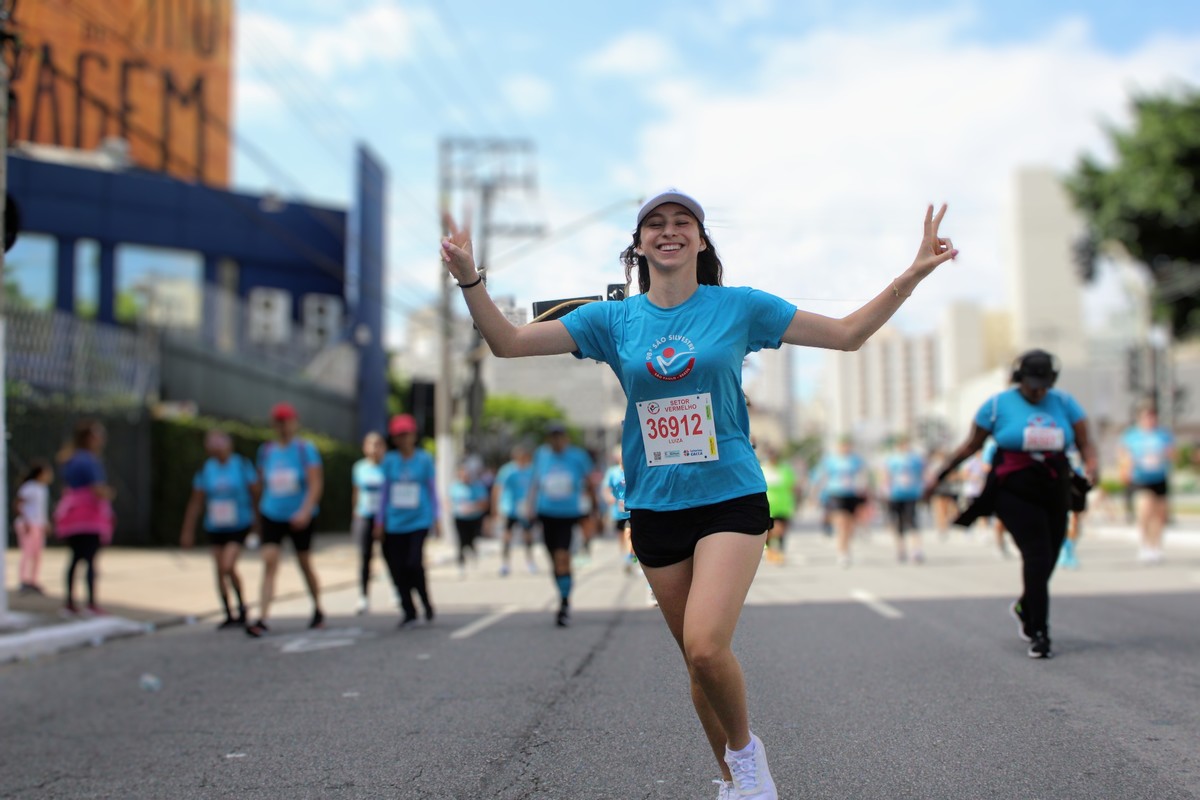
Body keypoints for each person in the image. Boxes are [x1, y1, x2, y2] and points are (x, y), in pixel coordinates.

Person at [441, 188, 957, 799]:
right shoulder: (610, 320)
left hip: (729, 496)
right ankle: (734, 780)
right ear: (638, 246)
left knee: (708, 647)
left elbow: (846, 334)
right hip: (655, 504)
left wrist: (913, 274)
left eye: (682, 222)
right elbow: (507, 343)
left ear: (701, 240)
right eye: (655, 224)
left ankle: (747, 761)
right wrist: (469, 277)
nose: (669, 231)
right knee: (695, 659)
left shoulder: (739, 307)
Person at [928, 349, 1097, 660]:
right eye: (1033, 385)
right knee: (1037, 554)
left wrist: (1092, 466)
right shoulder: (996, 406)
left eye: (1044, 386)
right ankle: (1040, 632)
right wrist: (939, 475)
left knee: (1052, 553)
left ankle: (1025, 606)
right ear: (1020, 379)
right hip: (1013, 490)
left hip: (1055, 486)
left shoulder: (1064, 403)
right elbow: (970, 446)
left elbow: (1085, 442)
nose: (1039, 391)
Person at [245, 402, 325, 638]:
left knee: (304, 562)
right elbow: (261, 483)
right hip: (272, 512)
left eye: (286, 421)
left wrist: (305, 511)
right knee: (269, 561)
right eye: (278, 422)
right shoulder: (266, 450)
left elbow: (315, 483)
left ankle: (317, 607)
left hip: (299, 515)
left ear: (294, 422)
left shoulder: (305, 449)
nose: (282, 426)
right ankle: (263, 617)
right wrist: (256, 517)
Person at [180, 430, 260, 629]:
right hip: (216, 526)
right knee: (218, 570)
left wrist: (257, 524)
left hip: (239, 524)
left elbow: (255, 494)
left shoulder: (241, 465)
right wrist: (187, 531)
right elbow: (196, 501)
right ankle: (228, 612)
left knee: (227, 565)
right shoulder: (206, 469)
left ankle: (242, 606)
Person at [527, 421, 593, 627]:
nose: (556, 440)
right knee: (553, 560)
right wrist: (529, 507)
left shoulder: (577, 456)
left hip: (568, 514)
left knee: (562, 556)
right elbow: (535, 483)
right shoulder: (541, 454)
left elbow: (590, 482)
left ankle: (564, 604)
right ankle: (562, 590)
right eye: (552, 436)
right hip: (546, 513)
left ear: (565, 438)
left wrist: (594, 512)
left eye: (559, 436)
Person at [375, 414, 437, 628]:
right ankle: (408, 609)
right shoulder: (389, 460)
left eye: (406, 434)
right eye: (399, 435)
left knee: (414, 563)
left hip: (418, 519)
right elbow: (384, 493)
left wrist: (436, 517)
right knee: (397, 567)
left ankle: (425, 601)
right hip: (395, 522)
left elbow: (432, 489)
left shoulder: (424, 459)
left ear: (414, 435)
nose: (403, 439)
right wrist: (379, 521)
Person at [52, 420, 115, 616]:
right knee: (90, 560)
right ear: (89, 438)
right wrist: (109, 494)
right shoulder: (90, 460)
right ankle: (91, 603)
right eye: (99, 434)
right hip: (89, 516)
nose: (102, 438)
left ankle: (70, 603)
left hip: (71, 514)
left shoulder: (70, 458)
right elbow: (98, 490)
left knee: (75, 558)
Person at [1117, 400, 1175, 564]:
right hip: (1140, 478)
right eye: (1146, 417)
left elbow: (1172, 453)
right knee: (1145, 508)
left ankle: (1155, 546)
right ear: (1140, 418)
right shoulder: (1132, 435)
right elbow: (1123, 454)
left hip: (1159, 477)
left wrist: (1165, 456)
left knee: (1159, 515)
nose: (1150, 420)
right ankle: (1144, 545)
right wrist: (1125, 468)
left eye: (1152, 417)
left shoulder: (1163, 434)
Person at [814, 437, 871, 568]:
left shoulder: (856, 460)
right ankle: (842, 552)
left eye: (847, 445)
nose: (845, 448)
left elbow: (863, 477)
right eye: (843, 445)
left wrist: (865, 492)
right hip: (836, 494)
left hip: (852, 495)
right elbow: (821, 477)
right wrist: (817, 495)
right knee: (842, 523)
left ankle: (846, 548)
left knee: (850, 526)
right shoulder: (830, 460)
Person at [351, 432, 387, 613]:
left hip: (385, 517)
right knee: (365, 556)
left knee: (390, 556)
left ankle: (397, 591)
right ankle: (363, 596)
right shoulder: (359, 467)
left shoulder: (388, 466)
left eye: (378, 444)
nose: (374, 449)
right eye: (370, 444)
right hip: (365, 515)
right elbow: (356, 491)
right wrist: (355, 513)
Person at [880, 435, 926, 563]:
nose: (904, 446)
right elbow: (885, 475)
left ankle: (916, 549)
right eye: (901, 444)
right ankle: (900, 549)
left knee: (912, 521)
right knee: (898, 523)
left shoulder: (915, 459)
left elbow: (922, 474)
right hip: (895, 494)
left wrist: (922, 488)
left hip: (911, 494)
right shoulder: (891, 459)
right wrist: (885, 490)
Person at [494, 444, 537, 576]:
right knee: (507, 536)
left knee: (528, 535)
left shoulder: (531, 470)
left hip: (525, 508)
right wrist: (496, 507)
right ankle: (505, 564)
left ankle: (530, 562)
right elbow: (498, 488)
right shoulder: (507, 471)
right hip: (510, 508)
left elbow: (536, 488)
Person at [14, 460, 53, 595]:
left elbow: (40, 509)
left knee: (37, 555)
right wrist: (26, 521)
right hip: (28, 524)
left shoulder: (43, 488)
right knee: (27, 553)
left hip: (38, 525)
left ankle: (33, 581)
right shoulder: (29, 487)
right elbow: (18, 504)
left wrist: (45, 523)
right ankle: (23, 580)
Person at [450, 460, 489, 578]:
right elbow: (448, 502)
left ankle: (472, 551)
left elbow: (484, 503)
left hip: (474, 518)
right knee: (461, 541)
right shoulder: (455, 487)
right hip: (460, 518)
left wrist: (473, 507)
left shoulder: (478, 486)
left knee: (471, 540)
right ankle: (461, 565)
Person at [760, 446, 798, 565]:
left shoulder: (785, 469)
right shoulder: (762, 469)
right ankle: (769, 551)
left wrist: (796, 502)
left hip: (783, 505)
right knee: (769, 530)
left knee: (781, 529)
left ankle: (780, 551)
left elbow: (792, 486)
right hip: (768, 505)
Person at [602, 446, 634, 573]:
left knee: (630, 533)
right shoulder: (612, 472)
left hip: (632, 509)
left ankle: (630, 557)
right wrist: (609, 497)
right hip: (618, 511)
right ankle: (626, 557)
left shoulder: (633, 469)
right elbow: (606, 488)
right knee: (622, 535)